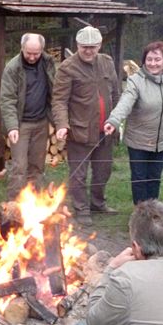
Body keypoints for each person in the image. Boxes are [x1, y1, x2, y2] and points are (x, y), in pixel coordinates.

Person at [52, 26, 120, 226]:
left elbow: (115, 93)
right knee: (79, 174)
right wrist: (62, 124)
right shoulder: (67, 68)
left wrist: (116, 119)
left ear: (99, 45)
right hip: (80, 131)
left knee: (103, 170)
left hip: (105, 130)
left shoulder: (107, 63)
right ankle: (81, 209)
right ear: (77, 46)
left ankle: (98, 203)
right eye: (84, 47)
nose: (89, 51)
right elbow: (59, 100)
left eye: (93, 47)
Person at [104, 40, 163, 204]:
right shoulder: (136, 81)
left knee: (155, 178)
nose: (153, 63)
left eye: (157, 60)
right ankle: (140, 213)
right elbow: (125, 103)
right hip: (138, 140)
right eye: (149, 59)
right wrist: (113, 120)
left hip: (161, 141)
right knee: (139, 179)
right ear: (144, 60)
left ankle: (153, 213)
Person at [0, 32, 56, 199]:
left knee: (37, 166)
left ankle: (34, 201)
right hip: (21, 124)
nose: (32, 57)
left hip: (41, 122)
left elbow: (55, 92)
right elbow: (7, 99)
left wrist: (58, 121)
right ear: (22, 48)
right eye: (28, 53)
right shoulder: (13, 68)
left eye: (36, 53)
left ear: (42, 50)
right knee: (19, 167)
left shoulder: (48, 63)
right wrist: (12, 126)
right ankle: (13, 205)